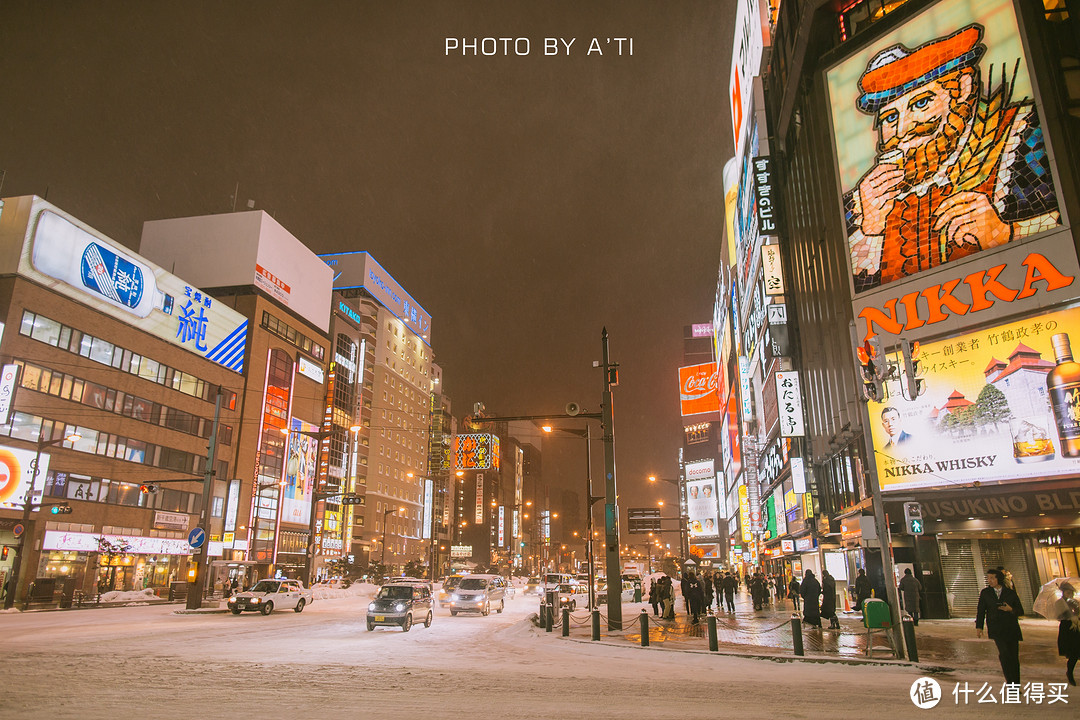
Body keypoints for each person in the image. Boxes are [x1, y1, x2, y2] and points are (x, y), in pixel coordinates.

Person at [843, 24, 1060, 293]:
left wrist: (1006, 232)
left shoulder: (1023, 135)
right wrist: (870, 230)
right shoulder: (862, 200)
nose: (903, 129)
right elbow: (851, 294)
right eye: (889, 118)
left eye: (920, 103)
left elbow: (1064, 218)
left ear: (962, 88)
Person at [975, 568, 1024, 684]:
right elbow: (981, 610)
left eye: (992, 578)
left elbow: (1020, 611)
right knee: (1005, 654)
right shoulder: (986, 593)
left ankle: (1016, 683)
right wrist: (979, 627)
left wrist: (1010, 609)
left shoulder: (1010, 593)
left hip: (1011, 627)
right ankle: (1010, 683)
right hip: (996, 628)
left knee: (1013, 657)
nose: (990, 580)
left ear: (999, 579)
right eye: (988, 578)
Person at [1056, 582, 1080, 686]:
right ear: (1063, 592)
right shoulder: (1059, 603)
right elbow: (1058, 616)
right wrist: (1069, 617)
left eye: (1071, 592)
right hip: (1067, 629)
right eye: (1067, 592)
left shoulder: (1075, 602)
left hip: (1077, 628)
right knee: (1073, 653)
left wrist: (1077, 617)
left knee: (1077, 651)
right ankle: (1069, 673)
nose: (1069, 594)